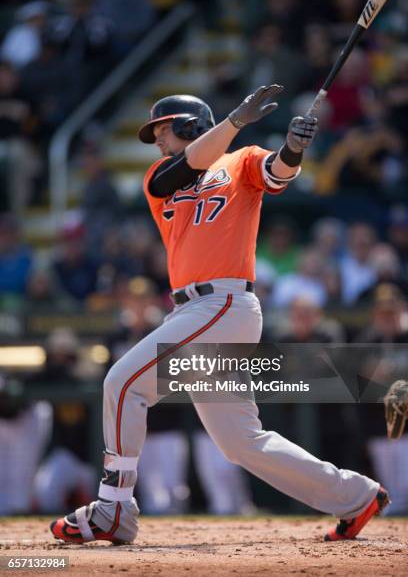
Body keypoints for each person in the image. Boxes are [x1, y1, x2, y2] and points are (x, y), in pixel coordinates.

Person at [51, 85, 389, 545]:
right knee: (239, 441)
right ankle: (355, 495)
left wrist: (293, 146)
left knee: (123, 382)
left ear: (191, 126)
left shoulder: (241, 159)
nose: (158, 141)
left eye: (164, 130)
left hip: (223, 304)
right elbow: (183, 167)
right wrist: (233, 122)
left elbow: (278, 174)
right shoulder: (159, 176)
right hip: (193, 311)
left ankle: (114, 507)